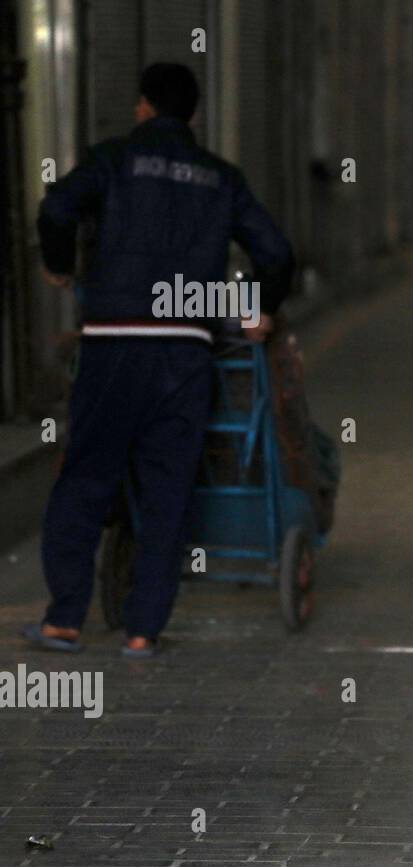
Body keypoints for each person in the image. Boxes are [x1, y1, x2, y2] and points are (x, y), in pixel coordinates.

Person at [24, 62, 294, 658]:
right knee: (169, 490)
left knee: (86, 477)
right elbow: (275, 252)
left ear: (143, 107)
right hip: (184, 351)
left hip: (114, 342)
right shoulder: (221, 177)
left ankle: (64, 620)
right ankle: (144, 630)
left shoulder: (113, 159)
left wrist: (61, 265)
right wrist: (262, 310)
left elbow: (55, 209)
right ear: (193, 115)